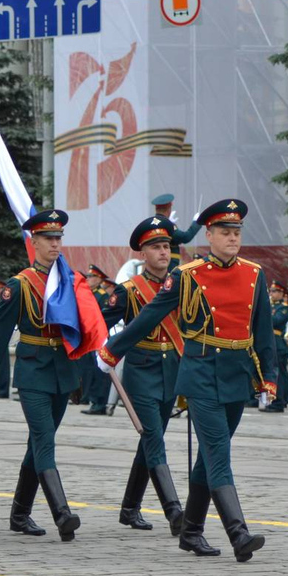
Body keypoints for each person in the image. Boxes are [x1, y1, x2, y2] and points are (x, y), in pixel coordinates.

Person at [98, 199, 276, 563]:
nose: (232, 238)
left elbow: (263, 332)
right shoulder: (188, 275)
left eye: (236, 231)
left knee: (208, 458)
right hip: (201, 375)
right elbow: (150, 316)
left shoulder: (254, 274)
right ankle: (238, 533)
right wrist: (112, 350)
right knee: (219, 453)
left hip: (237, 374)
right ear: (208, 235)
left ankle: (191, 531)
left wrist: (268, 379)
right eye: (224, 232)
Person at [0, 210, 83, 541]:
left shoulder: (70, 279)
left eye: (59, 238)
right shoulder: (19, 285)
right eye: (49, 239)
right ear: (35, 242)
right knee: (44, 439)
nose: (55, 244)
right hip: (32, 371)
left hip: (61, 372)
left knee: (38, 443)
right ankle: (62, 513)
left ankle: (19, 513)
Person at [100, 215, 186, 535]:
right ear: (142, 254)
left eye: (166, 246)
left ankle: (129, 508)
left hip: (171, 370)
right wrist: (101, 350)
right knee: (153, 438)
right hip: (141, 370)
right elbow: (99, 321)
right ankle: (174, 511)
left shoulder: (181, 285)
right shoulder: (128, 291)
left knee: (151, 440)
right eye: (156, 247)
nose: (163, 252)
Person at [81, 265, 114, 415]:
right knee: (90, 370)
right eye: (87, 277)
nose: (88, 279)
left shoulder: (103, 296)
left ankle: (100, 403)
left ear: (99, 279)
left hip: (99, 338)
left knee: (100, 372)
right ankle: (92, 399)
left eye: (91, 277)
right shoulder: (91, 294)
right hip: (89, 337)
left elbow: (103, 319)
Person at [263, 281, 288, 413]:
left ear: (281, 293)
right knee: (273, 373)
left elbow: (275, 321)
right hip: (271, 341)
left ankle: (279, 402)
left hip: (278, 343)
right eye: (271, 291)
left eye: (274, 292)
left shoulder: (284, 308)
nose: (272, 294)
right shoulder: (270, 306)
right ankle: (274, 400)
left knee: (278, 374)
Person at [151, 193, 201, 267]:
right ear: (169, 209)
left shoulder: (152, 222)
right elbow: (185, 237)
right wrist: (196, 222)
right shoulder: (167, 224)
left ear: (156, 209)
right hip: (169, 263)